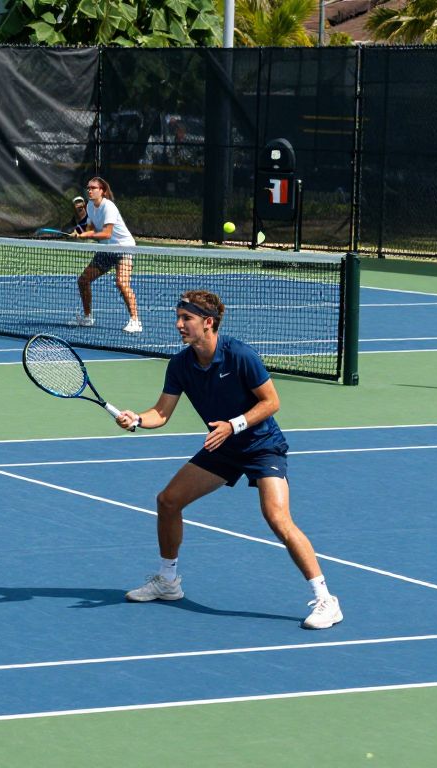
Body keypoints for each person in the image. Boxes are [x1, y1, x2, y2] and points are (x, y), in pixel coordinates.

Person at [114, 291, 343, 630]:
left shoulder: (239, 355)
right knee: (168, 501)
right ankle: (168, 581)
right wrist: (136, 419)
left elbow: (271, 402)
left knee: (277, 517)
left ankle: (326, 599)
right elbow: (161, 413)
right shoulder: (180, 364)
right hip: (222, 447)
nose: (178, 325)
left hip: (261, 445)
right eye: (177, 317)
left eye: (185, 319)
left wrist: (234, 425)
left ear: (208, 322)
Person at [70, 177, 142, 334]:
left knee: (121, 283)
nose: (90, 190)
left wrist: (87, 235)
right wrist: (79, 232)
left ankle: (135, 321)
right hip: (106, 250)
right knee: (83, 280)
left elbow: (107, 233)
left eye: (93, 188)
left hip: (124, 248)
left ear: (102, 191)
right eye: (88, 187)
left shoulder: (108, 207)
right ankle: (88, 317)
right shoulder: (89, 206)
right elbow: (89, 226)